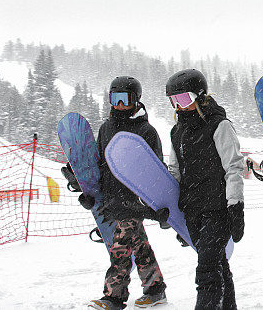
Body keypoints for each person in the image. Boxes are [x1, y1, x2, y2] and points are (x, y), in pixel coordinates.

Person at [82, 76, 167, 310]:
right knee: (139, 246)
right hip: (112, 200)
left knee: (119, 250)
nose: (119, 105)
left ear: (136, 101)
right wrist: (90, 192)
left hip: (135, 201)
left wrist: (155, 202)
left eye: (125, 99)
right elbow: (99, 165)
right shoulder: (106, 129)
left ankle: (114, 296)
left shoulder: (146, 131)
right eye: (115, 99)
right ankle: (155, 288)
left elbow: (156, 169)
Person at [165, 68, 245, 310]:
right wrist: (170, 211)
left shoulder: (219, 126)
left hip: (218, 209)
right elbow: (174, 172)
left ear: (200, 96)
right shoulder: (177, 131)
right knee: (219, 264)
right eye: (173, 101)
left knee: (207, 271)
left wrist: (235, 205)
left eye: (184, 99)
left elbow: (233, 167)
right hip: (193, 211)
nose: (179, 106)